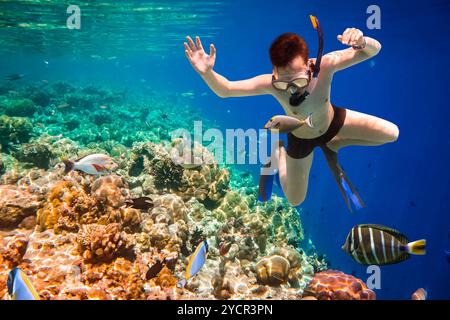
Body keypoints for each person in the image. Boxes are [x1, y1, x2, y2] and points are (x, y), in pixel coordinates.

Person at [183, 22, 399, 210]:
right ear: (274, 73)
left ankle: (335, 142)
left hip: (333, 123)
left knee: (391, 133)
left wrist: (362, 41)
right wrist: (207, 73)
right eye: (282, 83)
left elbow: (373, 50)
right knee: (296, 200)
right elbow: (226, 90)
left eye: (298, 82)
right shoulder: (269, 83)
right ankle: (280, 153)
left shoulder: (326, 65)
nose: (291, 90)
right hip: (300, 138)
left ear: (309, 66)